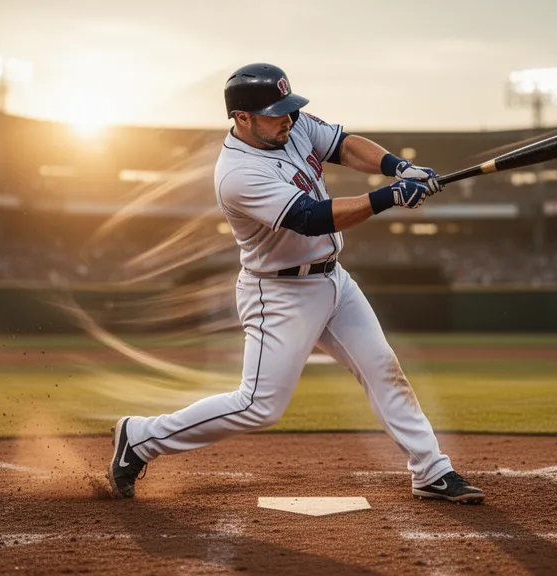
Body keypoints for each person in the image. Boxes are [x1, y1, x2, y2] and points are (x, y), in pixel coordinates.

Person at [109, 63, 483, 504]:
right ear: (242, 118)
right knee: (258, 407)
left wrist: (398, 167)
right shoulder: (237, 174)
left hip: (334, 280)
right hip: (280, 293)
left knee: (383, 369)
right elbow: (310, 217)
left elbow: (344, 145)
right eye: (275, 113)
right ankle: (140, 438)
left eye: (288, 109)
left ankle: (431, 470)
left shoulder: (293, 125)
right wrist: (390, 196)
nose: (287, 119)